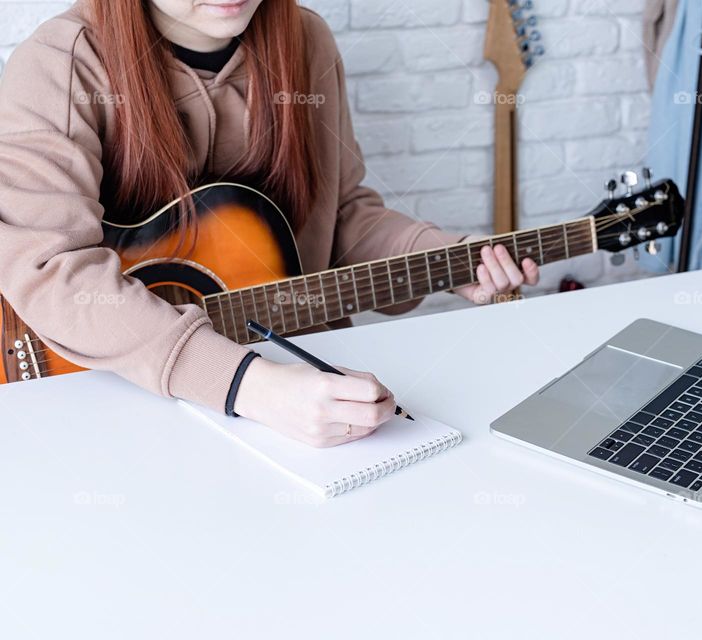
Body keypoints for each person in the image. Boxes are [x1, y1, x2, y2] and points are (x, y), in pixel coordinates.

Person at [0, 0, 539, 447]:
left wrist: (445, 255)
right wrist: (251, 387)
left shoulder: (306, 41)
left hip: (306, 383)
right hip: (127, 401)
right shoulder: (61, 62)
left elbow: (341, 215)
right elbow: (50, 270)